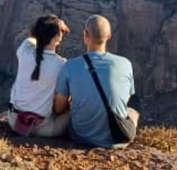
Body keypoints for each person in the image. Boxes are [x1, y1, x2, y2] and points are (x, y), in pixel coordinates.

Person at [54, 15, 139, 148]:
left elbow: (59, 108)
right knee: (133, 112)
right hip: (117, 140)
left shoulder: (70, 66)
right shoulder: (125, 64)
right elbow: (124, 99)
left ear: (85, 35)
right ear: (109, 36)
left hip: (81, 137)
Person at [8, 14, 72, 137]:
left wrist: (49, 27)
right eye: (61, 32)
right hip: (44, 129)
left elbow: (31, 39)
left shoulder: (24, 51)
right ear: (57, 38)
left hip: (15, 122)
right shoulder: (61, 65)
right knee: (73, 106)